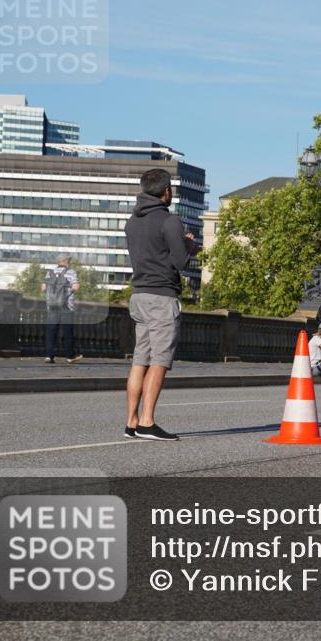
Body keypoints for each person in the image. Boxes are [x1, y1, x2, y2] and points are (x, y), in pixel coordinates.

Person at [123, 168, 200, 441]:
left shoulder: (132, 221)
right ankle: (147, 422)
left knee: (139, 359)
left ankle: (131, 421)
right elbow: (179, 262)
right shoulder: (170, 221)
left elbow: (150, 253)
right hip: (161, 298)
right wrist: (189, 247)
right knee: (159, 361)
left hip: (139, 295)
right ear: (166, 191)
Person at [41, 252, 82, 364]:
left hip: (52, 306)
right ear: (66, 261)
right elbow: (76, 287)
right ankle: (69, 356)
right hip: (66, 306)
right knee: (67, 332)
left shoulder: (50, 273)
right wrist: (73, 287)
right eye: (69, 261)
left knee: (51, 331)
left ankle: (49, 356)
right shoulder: (71, 272)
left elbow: (43, 288)